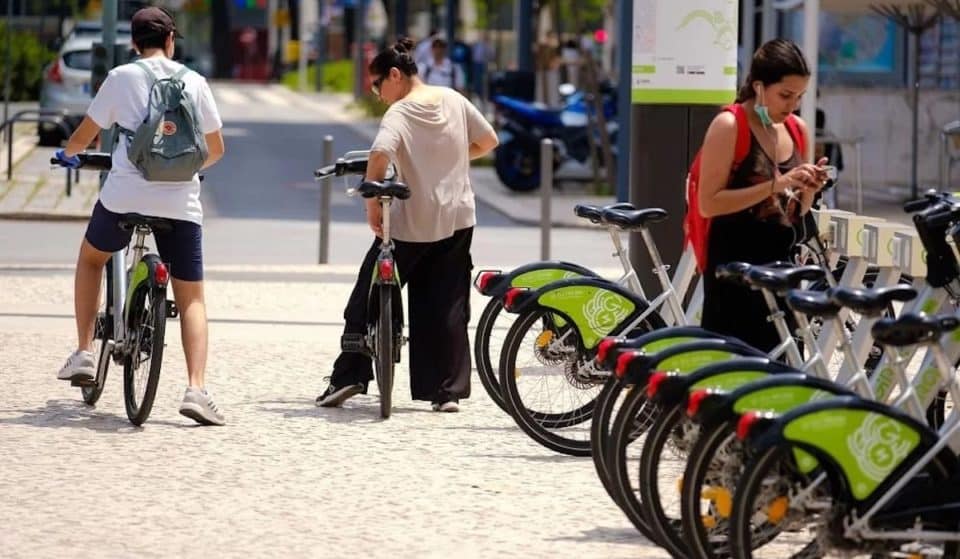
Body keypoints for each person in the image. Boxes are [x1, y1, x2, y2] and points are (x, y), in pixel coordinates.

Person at [53, 7, 226, 425]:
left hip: (125, 195)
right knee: (191, 298)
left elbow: (84, 135)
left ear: (134, 42)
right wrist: (183, 169)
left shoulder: (121, 77)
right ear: (170, 40)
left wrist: (68, 155)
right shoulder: (194, 81)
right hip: (181, 203)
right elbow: (216, 149)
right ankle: (196, 390)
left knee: (92, 258)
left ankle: (84, 352)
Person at [317, 37, 498, 412]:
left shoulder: (399, 112)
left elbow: (380, 154)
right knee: (448, 303)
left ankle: (349, 376)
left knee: (366, 296)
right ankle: (446, 392)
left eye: (377, 84)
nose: (377, 93)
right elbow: (488, 140)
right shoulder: (453, 99)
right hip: (457, 217)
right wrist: (449, 159)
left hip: (411, 222)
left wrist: (372, 205)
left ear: (395, 75)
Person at [696, 39, 830, 352]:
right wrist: (776, 184)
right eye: (785, 95)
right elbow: (708, 203)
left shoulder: (797, 129)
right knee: (732, 366)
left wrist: (809, 189)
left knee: (781, 364)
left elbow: (796, 212)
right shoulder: (730, 125)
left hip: (781, 270)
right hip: (734, 272)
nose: (792, 105)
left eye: (800, 96)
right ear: (759, 87)